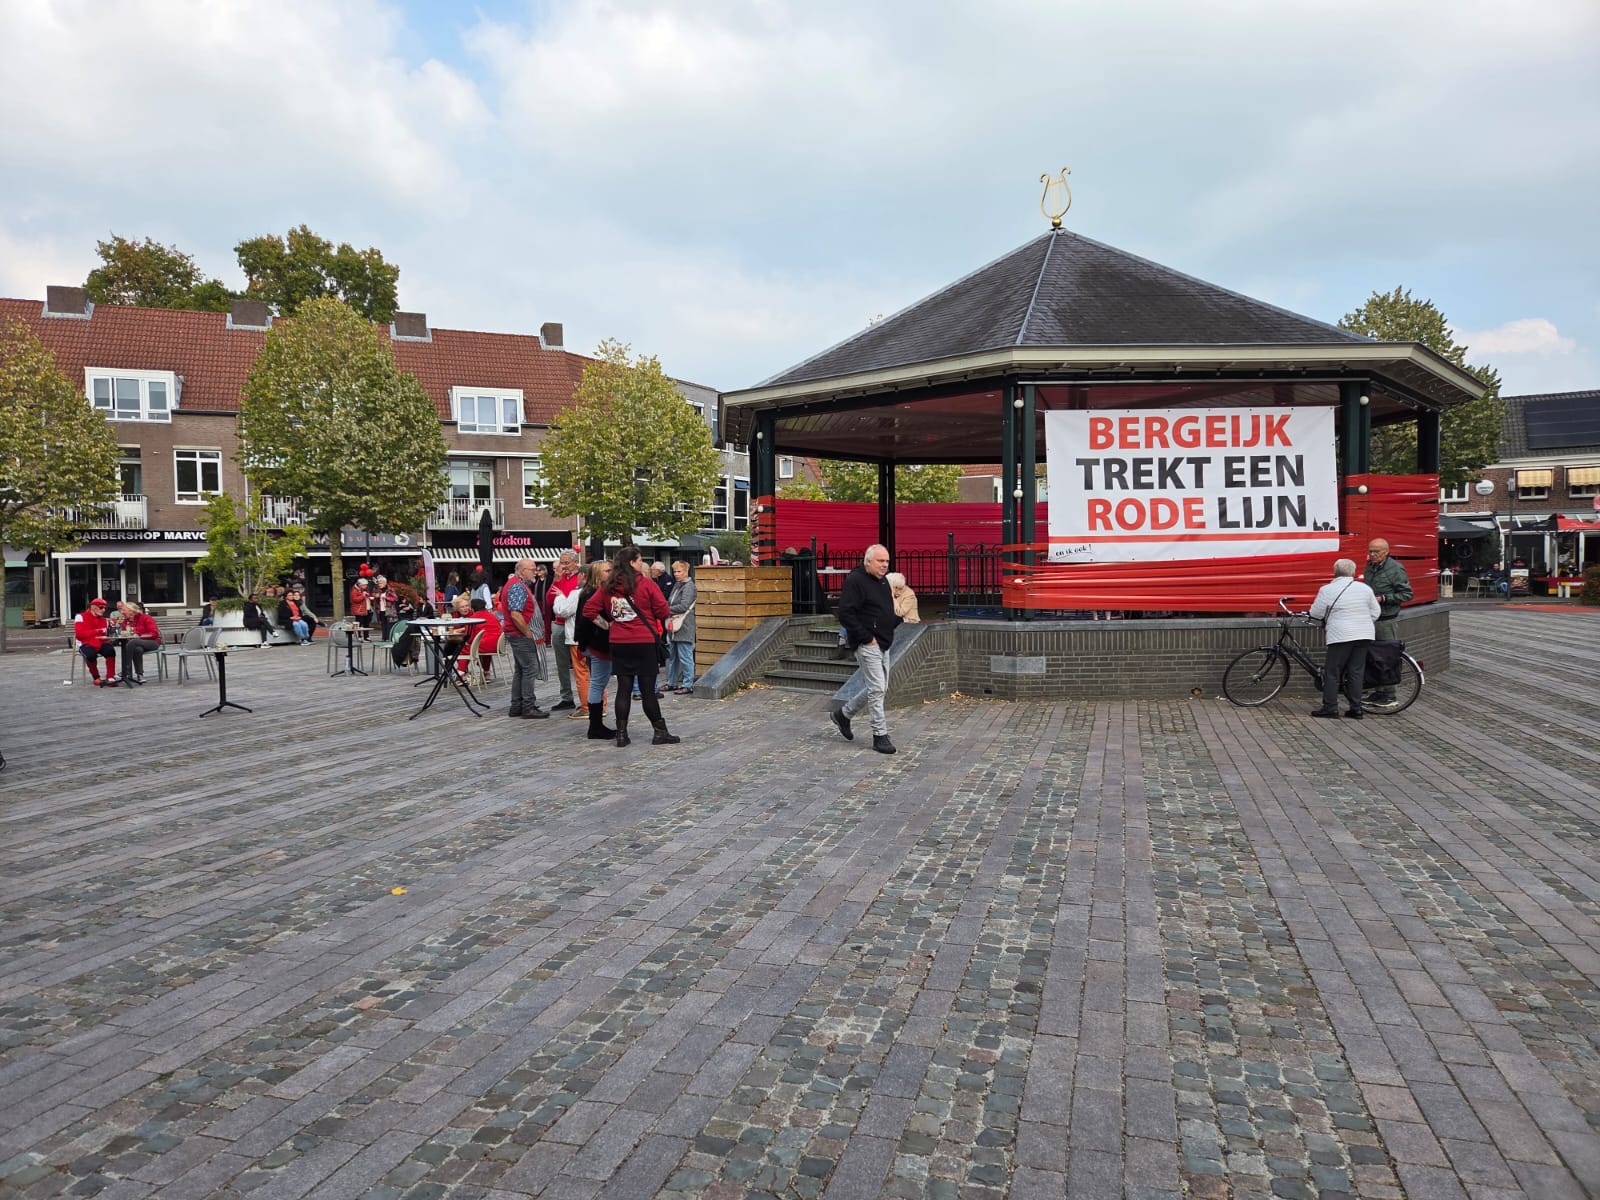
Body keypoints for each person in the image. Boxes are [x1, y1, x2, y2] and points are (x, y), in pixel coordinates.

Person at [582, 547, 678, 747]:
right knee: (647, 690)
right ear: (633, 562)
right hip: (643, 641)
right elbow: (663, 610)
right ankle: (659, 731)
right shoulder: (646, 584)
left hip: (619, 643)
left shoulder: (608, 586)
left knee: (624, 689)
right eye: (639, 559)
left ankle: (622, 734)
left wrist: (608, 624)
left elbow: (589, 610)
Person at [830, 544, 902, 754]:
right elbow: (845, 613)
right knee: (878, 688)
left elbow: (882, 609)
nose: (885, 565)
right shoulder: (855, 580)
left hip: (884, 642)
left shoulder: (882, 582)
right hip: (867, 643)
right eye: (880, 561)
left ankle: (843, 715)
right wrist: (866, 637)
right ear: (868, 561)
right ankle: (880, 735)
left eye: (887, 561)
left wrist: (896, 620)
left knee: (878, 688)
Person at [1308, 557, 1380, 720]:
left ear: (1335, 572)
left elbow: (1315, 613)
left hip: (1340, 635)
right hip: (1364, 634)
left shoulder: (1327, 589)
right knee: (1356, 671)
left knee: (1333, 672)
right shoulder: (1365, 589)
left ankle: (1330, 708)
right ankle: (1356, 709)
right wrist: (1362, 622)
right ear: (1353, 572)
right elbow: (1375, 612)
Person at [1363, 538, 1412, 703]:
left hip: (1386, 620)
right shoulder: (1369, 567)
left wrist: (1384, 598)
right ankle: (1378, 691)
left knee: (1387, 656)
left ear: (1386, 552)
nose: (1372, 554)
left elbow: (1406, 594)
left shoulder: (1395, 569)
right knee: (1374, 657)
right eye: (1370, 551)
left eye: (1376, 551)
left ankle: (1390, 694)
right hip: (1371, 619)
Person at [573, 559, 616, 739]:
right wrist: (608, 626)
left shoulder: (593, 592)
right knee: (598, 682)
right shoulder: (591, 593)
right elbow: (587, 618)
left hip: (596, 643)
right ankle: (595, 725)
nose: (611, 573)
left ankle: (596, 724)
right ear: (598, 574)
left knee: (599, 681)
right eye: (607, 571)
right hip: (596, 643)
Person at [502, 557, 549, 720]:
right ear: (522, 571)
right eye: (532, 569)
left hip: (516, 634)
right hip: (520, 635)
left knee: (521, 670)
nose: (535, 572)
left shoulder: (518, 584)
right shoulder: (517, 586)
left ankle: (517, 705)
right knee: (530, 669)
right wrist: (527, 632)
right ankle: (527, 706)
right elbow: (515, 613)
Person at [545, 550, 582, 712]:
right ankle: (567, 697)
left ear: (575, 562)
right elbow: (548, 600)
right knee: (561, 663)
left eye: (566, 563)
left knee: (580, 663)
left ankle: (585, 698)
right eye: (561, 563)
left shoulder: (580, 578)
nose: (563, 566)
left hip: (574, 624)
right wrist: (556, 580)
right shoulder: (560, 578)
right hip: (559, 624)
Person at [665, 560, 697, 693]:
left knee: (685, 656)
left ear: (686, 571)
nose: (676, 574)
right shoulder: (678, 585)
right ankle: (671, 682)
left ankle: (688, 684)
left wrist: (667, 609)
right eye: (675, 571)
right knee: (673, 656)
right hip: (674, 625)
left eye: (679, 571)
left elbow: (684, 606)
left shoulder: (689, 586)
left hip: (684, 625)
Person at [75, 597, 118, 686]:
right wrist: (97, 631)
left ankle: (110, 676)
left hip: (100, 642)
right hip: (85, 643)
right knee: (90, 655)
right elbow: (80, 635)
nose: (104, 610)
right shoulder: (80, 617)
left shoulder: (103, 620)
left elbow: (104, 634)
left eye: (104, 608)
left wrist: (111, 630)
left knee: (110, 650)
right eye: (101, 607)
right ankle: (96, 677)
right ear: (93, 607)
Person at [120, 600, 162, 681]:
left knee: (134, 641)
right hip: (136, 644)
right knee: (137, 649)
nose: (122, 612)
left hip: (152, 642)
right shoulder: (126, 621)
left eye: (124, 610)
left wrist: (139, 636)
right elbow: (126, 633)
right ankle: (140, 675)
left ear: (131, 611)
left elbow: (154, 633)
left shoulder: (145, 618)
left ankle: (126, 670)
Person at [462, 597, 503, 676]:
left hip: (483, 646)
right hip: (498, 646)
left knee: (463, 649)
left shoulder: (472, 619)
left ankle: (461, 673)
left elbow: (469, 637)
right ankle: (486, 672)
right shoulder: (493, 616)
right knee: (486, 647)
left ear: (472, 609)